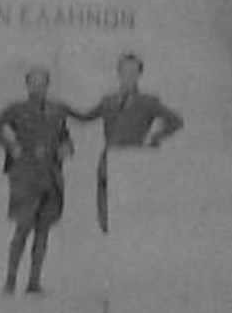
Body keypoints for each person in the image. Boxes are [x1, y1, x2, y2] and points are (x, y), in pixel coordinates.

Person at [0, 66, 81, 295]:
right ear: (27, 86)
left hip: (51, 176)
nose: (37, 87)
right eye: (33, 83)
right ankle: (10, 281)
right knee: (23, 228)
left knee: (43, 230)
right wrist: (12, 146)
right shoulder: (17, 110)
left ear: (48, 86)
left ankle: (34, 282)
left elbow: (64, 136)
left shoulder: (56, 112)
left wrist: (66, 148)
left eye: (42, 83)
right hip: (25, 177)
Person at [74, 53, 184, 232]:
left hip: (134, 163)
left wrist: (156, 137)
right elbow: (85, 117)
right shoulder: (107, 101)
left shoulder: (148, 101)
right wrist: (62, 108)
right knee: (105, 214)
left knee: (132, 216)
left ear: (140, 75)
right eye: (125, 72)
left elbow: (176, 121)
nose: (129, 77)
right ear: (118, 73)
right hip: (108, 161)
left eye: (133, 72)